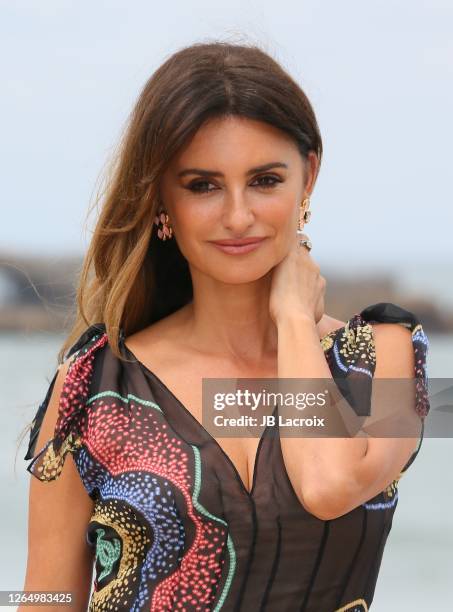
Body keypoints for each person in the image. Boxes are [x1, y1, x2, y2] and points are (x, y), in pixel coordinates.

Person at [21, 41, 430, 611]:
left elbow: (328, 484)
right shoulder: (90, 387)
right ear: (161, 195)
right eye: (202, 185)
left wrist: (291, 319)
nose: (238, 216)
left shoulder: (386, 358)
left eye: (264, 180)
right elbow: (43, 596)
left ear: (308, 176)